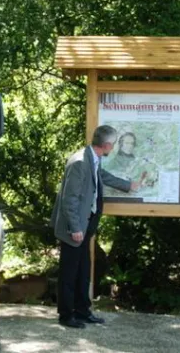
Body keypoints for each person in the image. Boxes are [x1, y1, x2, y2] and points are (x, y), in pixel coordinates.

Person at [51, 125, 140, 329]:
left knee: (83, 270)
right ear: (107, 145)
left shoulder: (93, 158)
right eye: (114, 144)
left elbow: (103, 177)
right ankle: (66, 315)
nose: (114, 147)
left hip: (86, 223)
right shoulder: (80, 162)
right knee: (69, 272)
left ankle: (83, 311)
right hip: (74, 227)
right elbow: (69, 199)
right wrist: (75, 228)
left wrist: (128, 185)